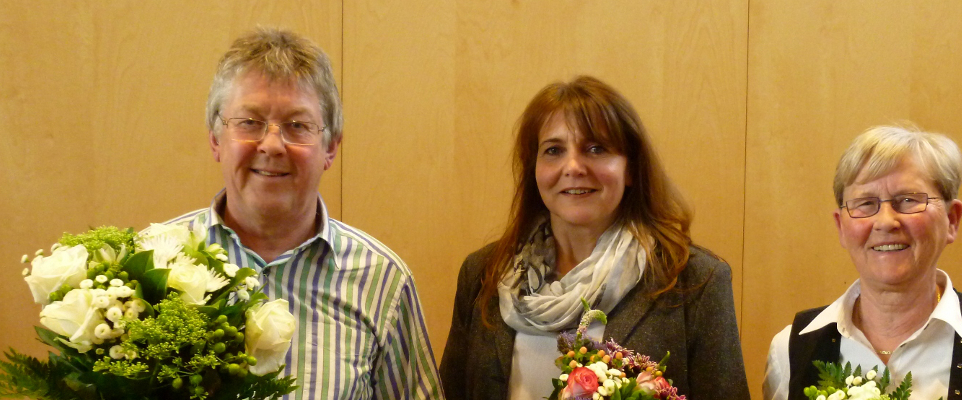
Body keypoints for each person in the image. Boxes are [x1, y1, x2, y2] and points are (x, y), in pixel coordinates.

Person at [159, 27, 443, 399]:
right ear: (216, 139)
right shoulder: (151, 264)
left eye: (297, 125)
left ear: (331, 148)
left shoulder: (382, 281)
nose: (272, 144)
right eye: (249, 122)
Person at [439, 76, 749, 400]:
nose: (573, 166)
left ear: (630, 169)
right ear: (534, 170)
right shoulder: (484, 274)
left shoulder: (694, 281)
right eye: (554, 150)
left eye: (596, 148)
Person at [762, 125, 962, 400]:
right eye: (866, 203)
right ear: (841, 227)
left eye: (908, 200)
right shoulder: (790, 350)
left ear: (952, 219)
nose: (885, 222)